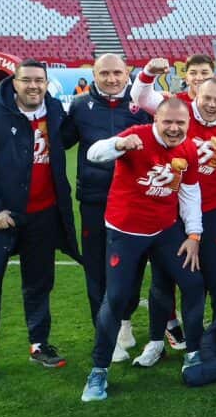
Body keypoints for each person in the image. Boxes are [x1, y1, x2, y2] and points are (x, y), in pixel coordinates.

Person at [0, 60, 80, 384]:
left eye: (39, 80)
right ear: (14, 83)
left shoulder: (54, 113)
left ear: (46, 83)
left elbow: (71, 137)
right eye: (26, 80)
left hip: (43, 216)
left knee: (39, 284)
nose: (33, 86)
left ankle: (39, 344)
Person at [80, 97, 204, 401]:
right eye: (168, 122)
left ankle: (194, 353)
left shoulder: (188, 148)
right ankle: (99, 371)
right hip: (125, 230)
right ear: (156, 121)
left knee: (192, 283)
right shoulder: (138, 135)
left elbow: (190, 193)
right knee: (118, 297)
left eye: (180, 123)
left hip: (164, 230)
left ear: (188, 123)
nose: (174, 128)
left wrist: (194, 235)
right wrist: (118, 145)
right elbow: (95, 154)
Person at [130, 71, 216, 365]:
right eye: (207, 97)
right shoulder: (179, 112)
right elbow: (142, 97)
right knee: (161, 280)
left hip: (209, 214)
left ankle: (214, 342)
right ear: (196, 94)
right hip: (168, 214)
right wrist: (148, 74)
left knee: (210, 280)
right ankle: (156, 342)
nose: (211, 104)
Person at [61, 53, 154, 357]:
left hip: (135, 200)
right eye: (105, 74)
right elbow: (61, 141)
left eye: (117, 73)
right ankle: (106, 334)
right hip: (95, 200)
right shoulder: (78, 106)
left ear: (127, 72)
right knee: (97, 267)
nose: (112, 79)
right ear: (94, 75)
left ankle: (124, 321)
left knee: (134, 265)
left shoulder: (142, 104)